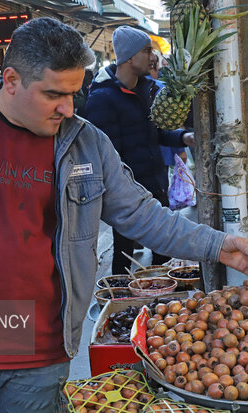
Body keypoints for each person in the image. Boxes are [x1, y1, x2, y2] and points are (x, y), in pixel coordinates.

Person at [0, 17, 248, 412]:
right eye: (54, 94)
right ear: (11, 81)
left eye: (75, 93)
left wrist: (218, 245)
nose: (68, 107)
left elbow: (141, 214)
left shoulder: (87, 143)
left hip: (40, 354)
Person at [84, 26, 195, 274]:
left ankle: (161, 303)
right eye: (147, 51)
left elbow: (155, 132)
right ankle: (117, 301)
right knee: (124, 255)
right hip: (125, 193)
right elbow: (105, 154)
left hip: (156, 184)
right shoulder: (102, 98)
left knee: (164, 251)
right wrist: (121, 191)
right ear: (129, 57)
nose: (153, 57)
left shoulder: (148, 89)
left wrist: (183, 137)